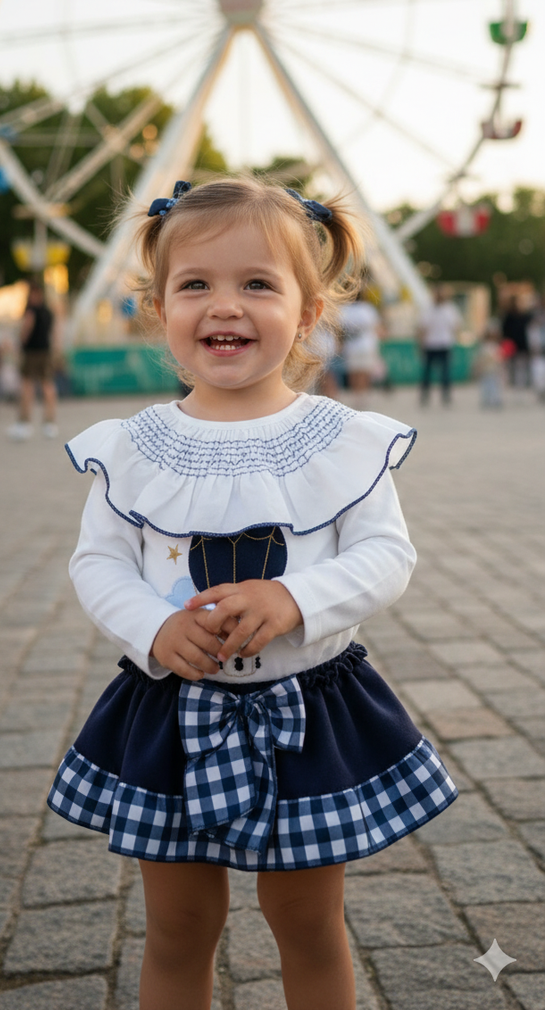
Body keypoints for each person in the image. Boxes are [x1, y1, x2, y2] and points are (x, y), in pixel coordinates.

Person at [47, 177, 457, 1010]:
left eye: (257, 284)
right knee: (177, 926)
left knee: (308, 922)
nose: (223, 305)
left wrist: (297, 599)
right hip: (170, 708)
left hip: (308, 710)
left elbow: (386, 552)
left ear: (307, 313)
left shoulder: (343, 440)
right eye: (195, 284)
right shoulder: (132, 449)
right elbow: (98, 563)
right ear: (159, 308)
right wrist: (154, 626)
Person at [7, 280, 58, 440]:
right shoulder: (48, 311)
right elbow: (54, 332)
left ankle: (24, 422)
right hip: (45, 351)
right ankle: (49, 422)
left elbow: (26, 328)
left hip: (32, 352)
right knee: (47, 385)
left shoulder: (31, 310)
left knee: (27, 386)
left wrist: (20, 341)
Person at [418, 285, 462, 405]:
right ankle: (428, 394)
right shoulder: (430, 309)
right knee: (431, 372)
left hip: (442, 343)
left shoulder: (449, 309)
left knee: (443, 372)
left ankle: (443, 394)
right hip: (434, 344)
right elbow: (423, 329)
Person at [340, 290, 383, 408]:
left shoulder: (345, 309)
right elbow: (377, 327)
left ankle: (356, 395)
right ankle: (362, 396)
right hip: (367, 345)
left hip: (351, 346)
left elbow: (340, 329)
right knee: (364, 372)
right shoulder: (368, 309)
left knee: (353, 372)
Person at [501, 294, 532, 388]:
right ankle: (516, 384)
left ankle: (519, 384)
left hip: (520, 345)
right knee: (514, 367)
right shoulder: (510, 316)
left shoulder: (524, 316)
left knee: (519, 367)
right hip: (513, 345)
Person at [476, 321, 504, 409]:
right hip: (486, 369)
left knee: (494, 384)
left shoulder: (496, 346)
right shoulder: (484, 347)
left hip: (494, 369)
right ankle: (487, 400)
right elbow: (481, 359)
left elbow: (499, 358)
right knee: (486, 384)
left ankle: (494, 399)